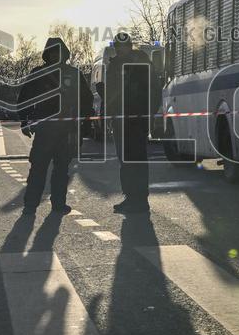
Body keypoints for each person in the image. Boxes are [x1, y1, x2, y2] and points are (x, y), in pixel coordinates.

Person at [17, 37, 94, 215]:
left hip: (66, 130)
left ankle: (58, 204)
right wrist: (24, 120)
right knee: (38, 168)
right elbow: (25, 98)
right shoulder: (39, 73)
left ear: (64, 54)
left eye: (58, 53)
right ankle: (30, 205)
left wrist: (83, 124)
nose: (55, 56)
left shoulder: (73, 74)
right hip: (44, 129)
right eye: (52, 52)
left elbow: (86, 100)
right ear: (47, 54)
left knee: (61, 170)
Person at [105, 32, 154, 212]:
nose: (121, 50)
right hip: (120, 120)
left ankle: (140, 199)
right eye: (118, 47)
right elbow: (111, 94)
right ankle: (130, 197)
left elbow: (152, 89)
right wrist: (109, 116)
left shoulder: (141, 62)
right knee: (125, 161)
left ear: (130, 46)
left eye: (124, 46)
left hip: (137, 119)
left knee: (137, 160)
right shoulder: (114, 65)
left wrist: (148, 114)